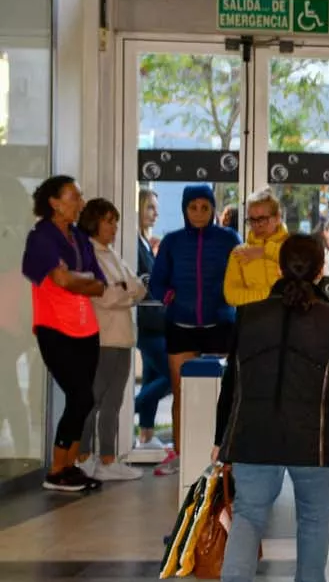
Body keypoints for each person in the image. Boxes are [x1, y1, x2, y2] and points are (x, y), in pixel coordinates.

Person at [209, 234, 329, 582]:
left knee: (248, 515)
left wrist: (220, 438)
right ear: (321, 269)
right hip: (314, 438)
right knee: (315, 517)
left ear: (280, 268)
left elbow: (233, 380)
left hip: (253, 434)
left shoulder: (247, 315)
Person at [23, 177, 111, 493]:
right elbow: (61, 281)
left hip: (86, 328)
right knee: (81, 396)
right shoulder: (41, 236)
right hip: (54, 328)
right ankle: (57, 469)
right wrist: (79, 279)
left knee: (82, 400)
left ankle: (70, 466)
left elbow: (100, 285)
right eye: (74, 196)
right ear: (55, 202)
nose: (81, 202)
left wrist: (80, 279)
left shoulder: (79, 238)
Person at [150, 185, 240, 456]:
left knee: (223, 395)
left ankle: (224, 456)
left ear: (213, 209)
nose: (199, 213)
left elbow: (241, 274)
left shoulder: (229, 239)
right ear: (184, 209)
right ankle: (181, 455)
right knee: (182, 394)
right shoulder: (172, 242)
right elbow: (157, 282)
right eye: (193, 207)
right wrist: (169, 296)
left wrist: (228, 300)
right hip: (180, 327)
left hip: (220, 327)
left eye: (205, 207)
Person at [78, 199, 147, 482]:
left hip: (122, 339)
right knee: (92, 401)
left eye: (115, 221)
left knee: (114, 402)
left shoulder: (112, 255)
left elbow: (139, 289)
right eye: (109, 221)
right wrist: (123, 291)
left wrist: (123, 290)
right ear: (94, 222)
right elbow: (104, 296)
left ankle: (107, 459)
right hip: (102, 338)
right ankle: (83, 457)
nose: (114, 227)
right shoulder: (87, 255)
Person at [134, 188, 171, 450]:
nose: (156, 213)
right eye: (150, 207)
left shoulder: (146, 242)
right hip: (147, 323)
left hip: (156, 322)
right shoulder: (133, 244)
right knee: (172, 377)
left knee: (150, 376)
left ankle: (145, 434)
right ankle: (131, 411)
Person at [223, 189, 288, 307]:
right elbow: (231, 296)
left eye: (262, 219)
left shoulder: (292, 247)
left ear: (277, 217)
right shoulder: (239, 253)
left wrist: (265, 251)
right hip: (251, 322)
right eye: (252, 220)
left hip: (289, 322)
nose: (257, 225)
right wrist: (272, 296)